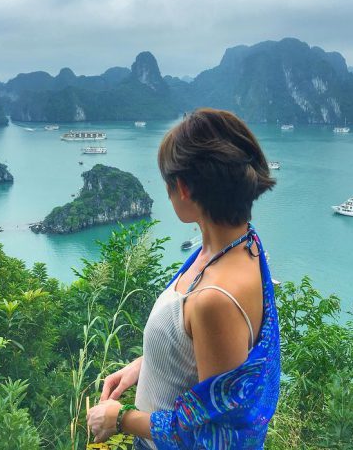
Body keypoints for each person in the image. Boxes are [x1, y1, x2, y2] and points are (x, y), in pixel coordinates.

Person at [87, 108, 280, 449]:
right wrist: (147, 364)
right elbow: (199, 353)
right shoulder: (241, 245)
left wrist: (120, 419)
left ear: (183, 188)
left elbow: (209, 434)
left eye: (167, 182)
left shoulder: (215, 299)